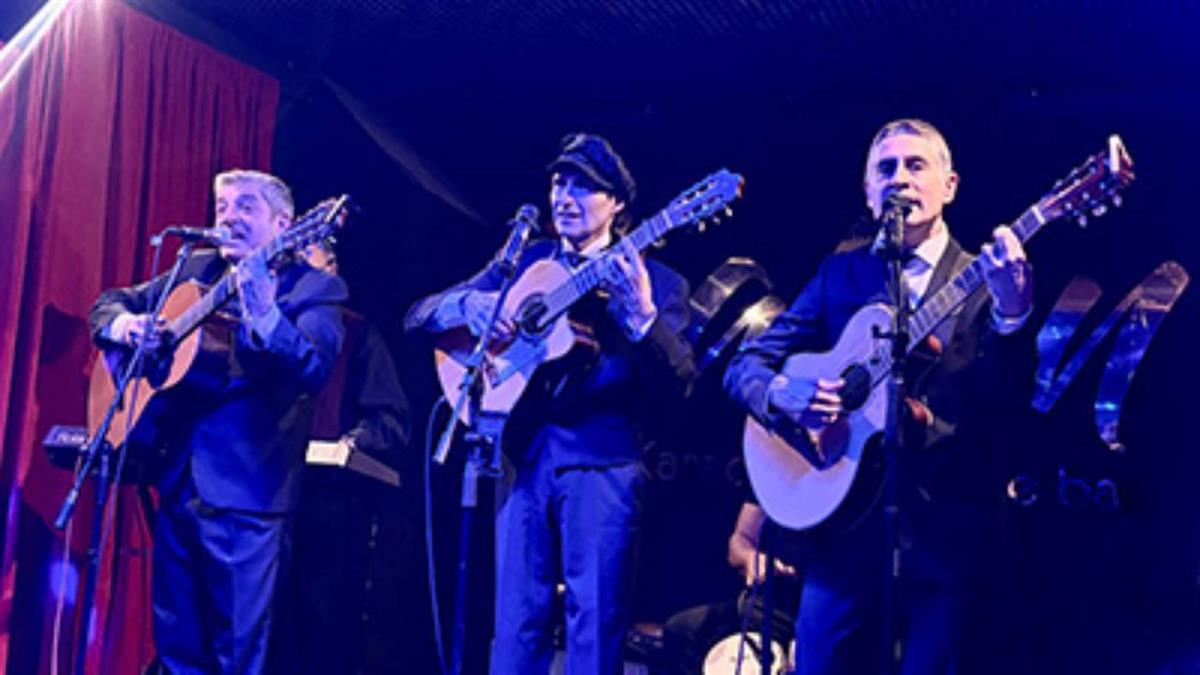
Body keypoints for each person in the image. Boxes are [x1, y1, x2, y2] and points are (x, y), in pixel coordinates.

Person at [724, 118, 1034, 674]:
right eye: (885, 169)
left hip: (944, 529)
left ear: (950, 185)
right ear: (869, 194)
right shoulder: (841, 273)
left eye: (916, 165)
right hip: (845, 529)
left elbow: (1006, 402)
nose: (901, 179)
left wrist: (1013, 315)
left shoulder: (981, 278)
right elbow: (746, 364)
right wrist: (783, 393)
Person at [406, 133, 696, 674]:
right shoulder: (526, 260)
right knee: (515, 623)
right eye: (559, 182)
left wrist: (643, 322)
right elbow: (419, 314)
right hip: (522, 460)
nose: (565, 195)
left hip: (603, 464)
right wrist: (473, 305)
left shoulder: (655, 280)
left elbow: (682, 384)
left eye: (585, 186)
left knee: (595, 625)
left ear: (618, 205)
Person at [89, 169, 347, 674]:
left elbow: (313, 367)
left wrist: (265, 311)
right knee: (178, 652)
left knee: (237, 656)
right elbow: (109, 303)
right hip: (180, 484)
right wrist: (127, 326)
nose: (228, 217)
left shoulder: (317, 289)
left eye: (245, 206)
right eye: (223, 206)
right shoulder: (199, 270)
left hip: (248, 500)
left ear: (285, 223)